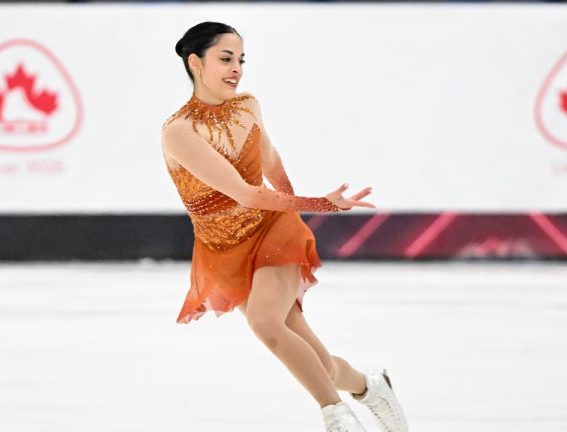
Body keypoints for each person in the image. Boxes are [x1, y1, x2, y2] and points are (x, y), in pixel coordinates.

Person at [161, 21, 408, 432]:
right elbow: (245, 193)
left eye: (241, 59)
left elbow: (270, 161)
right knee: (315, 358)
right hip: (226, 249)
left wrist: (294, 209)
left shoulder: (247, 107)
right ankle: (370, 388)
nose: (236, 68)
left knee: (265, 322)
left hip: (272, 233)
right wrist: (320, 204)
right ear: (195, 62)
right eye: (225, 59)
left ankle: (337, 418)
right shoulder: (180, 133)